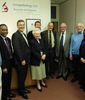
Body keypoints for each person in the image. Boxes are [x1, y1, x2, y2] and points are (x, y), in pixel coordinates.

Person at [12, 20, 31, 99]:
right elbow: (17, 49)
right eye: (20, 25)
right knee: (21, 77)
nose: (22, 26)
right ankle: (21, 92)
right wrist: (22, 59)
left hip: (26, 60)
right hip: (21, 61)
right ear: (17, 26)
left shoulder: (23, 34)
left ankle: (23, 88)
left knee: (24, 76)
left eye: (23, 25)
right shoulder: (15, 35)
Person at [0, 24, 15, 100]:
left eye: (6, 29)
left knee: (9, 80)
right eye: (3, 29)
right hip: (4, 65)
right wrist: (3, 67)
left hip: (10, 63)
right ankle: (4, 96)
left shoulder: (8, 39)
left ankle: (8, 93)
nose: (5, 31)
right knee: (4, 82)